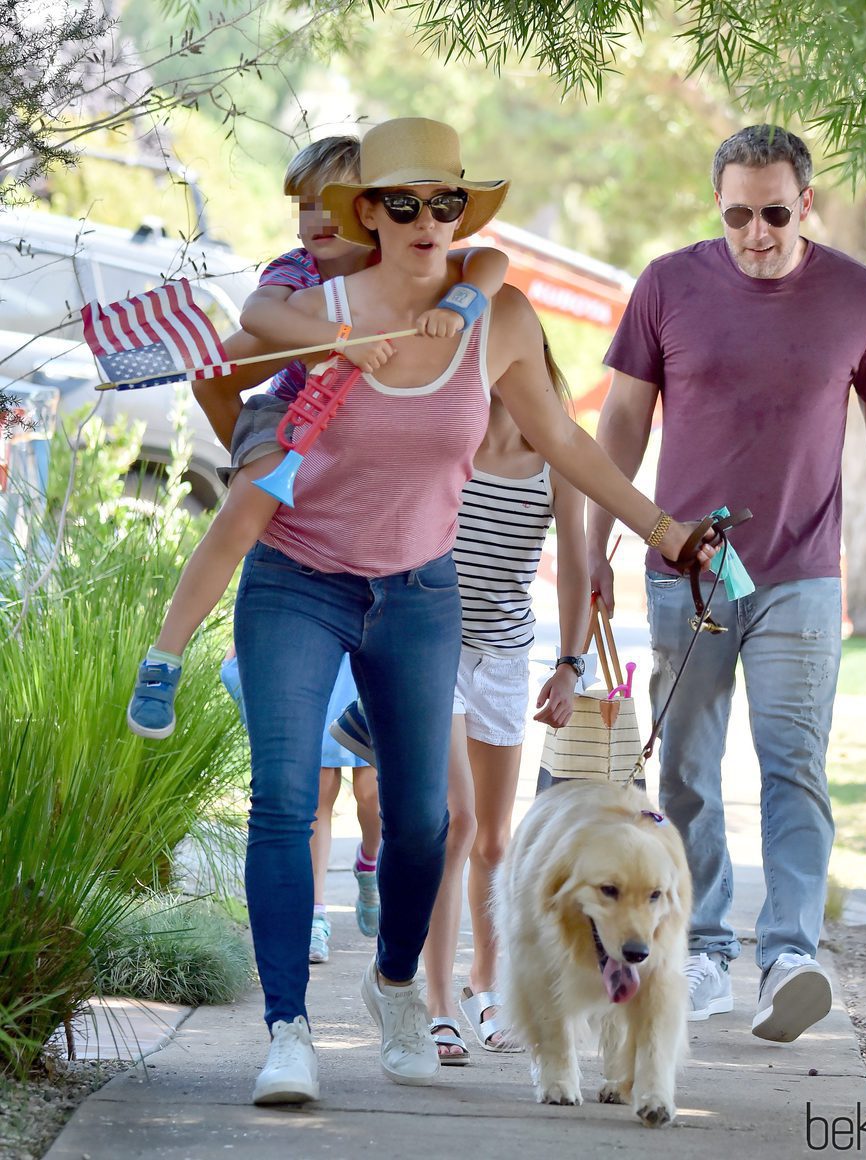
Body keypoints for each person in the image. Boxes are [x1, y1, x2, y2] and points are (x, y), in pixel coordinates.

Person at [193, 115, 715, 1107]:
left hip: (420, 590)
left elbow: (564, 441)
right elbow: (231, 361)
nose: (426, 220)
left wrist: (661, 525)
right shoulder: (309, 304)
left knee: (424, 822)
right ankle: (286, 1030)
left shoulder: (498, 313)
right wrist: (285, 411)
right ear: (368, 217)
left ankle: (395, 983)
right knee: (283, 797)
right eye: (402, 204)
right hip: (298, 576)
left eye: (444, 203)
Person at [587, 124, 866, 1045]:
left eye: (774, 212)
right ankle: (699, 947)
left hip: (804, 576)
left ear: (805, 203)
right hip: (685, 576)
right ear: (719, 207)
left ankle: (788, 955)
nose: (755, 232)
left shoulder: (862, 298)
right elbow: (620, 423)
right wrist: (595, 543)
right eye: (737, 213)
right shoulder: (667, 283)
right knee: (689, 772)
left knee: (795, 769)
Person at [125, 136, 508, 739]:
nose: (319, 220)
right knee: (244, 514)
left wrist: (461, 306)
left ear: (370, 210)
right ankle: (164, 657)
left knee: (411, 531)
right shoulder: (296, 271)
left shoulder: (397, 262)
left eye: (334, 203)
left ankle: (374, 705)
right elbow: (257, 315)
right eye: (306, 206)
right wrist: (338, 341)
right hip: (290, 411)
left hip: (364, 431)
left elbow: (490, 262)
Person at [332, 337, 591, 1064]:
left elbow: (574, 560)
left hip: (507, 654)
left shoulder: (559, 450)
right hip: (432, 644)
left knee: (497, 840)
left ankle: (486, 981)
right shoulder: (458, 431)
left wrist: (570, 663)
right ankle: (435, 996)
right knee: (455, 821)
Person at [221, 647, 382, 961]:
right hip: (323, 645)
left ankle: (368, 863)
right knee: (317, 784)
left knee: (371, 790)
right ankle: (314, 914)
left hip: (369, 639)